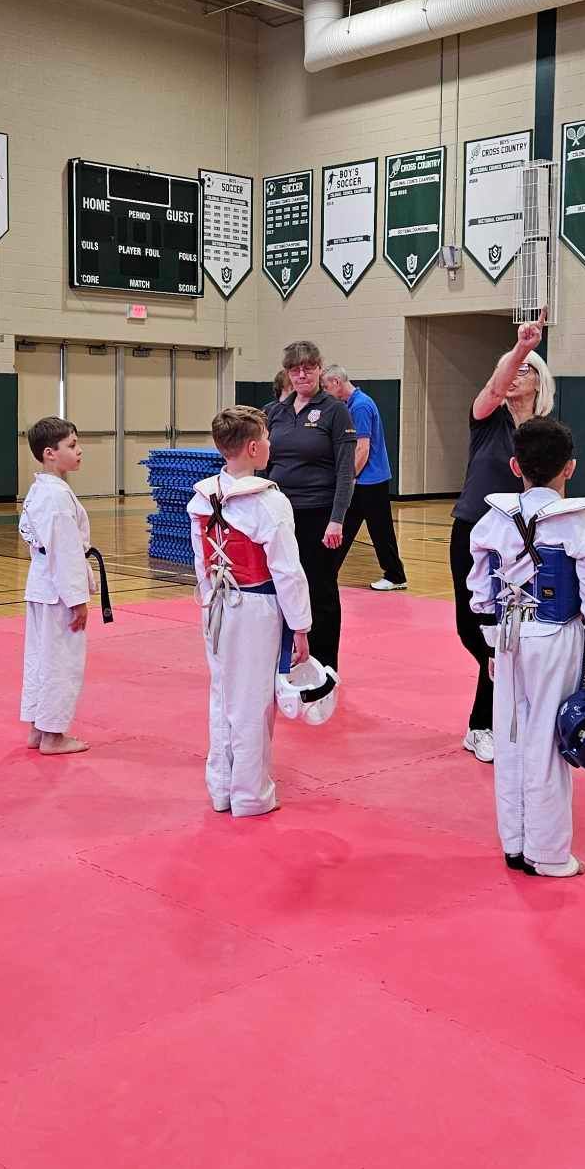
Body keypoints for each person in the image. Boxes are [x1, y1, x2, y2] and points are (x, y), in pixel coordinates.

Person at [468, 417, 585, 878]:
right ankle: (550, 854)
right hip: (557, 637)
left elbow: (479, 588)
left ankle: (515, 844)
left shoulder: (493, 519)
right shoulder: (577, 522)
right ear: (569, 468)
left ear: (516, 466)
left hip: (510, 635)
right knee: (550, 741)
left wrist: (493, 644)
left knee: (512, 737)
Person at [188, 407, 313, 817]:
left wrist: (208, 599)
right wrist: (301, 627)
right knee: (253, 701)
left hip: (217, 604)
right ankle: (250, 795)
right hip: (256, 605)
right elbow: (287, 570)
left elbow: (200, 563)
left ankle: (221, 788)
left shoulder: (202, 497)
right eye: (268, 439)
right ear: (255, 447)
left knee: (222, 694)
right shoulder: (268, 502)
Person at [451, 321, 555, 763]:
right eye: (509, 369)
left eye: (526, 370)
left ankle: (482, 725)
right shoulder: (488, 420)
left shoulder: (549, 433)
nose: (515, 375)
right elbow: (492, 391)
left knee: (505, 636)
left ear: (540, 381)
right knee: (471, 630)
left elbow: (556, 492)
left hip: (523, 542)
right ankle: (500, 710)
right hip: (475, 531)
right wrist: (520, 348)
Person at [263, 340, 356, 673]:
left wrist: (337, 519)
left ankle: (325, 664)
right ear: (288, 373)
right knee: (280, 585)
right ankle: (287, 656)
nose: (302, 374)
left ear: (319, 369)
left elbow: (346, 469)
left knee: (320, 589)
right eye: (295, 369)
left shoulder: (334, 410)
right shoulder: (275, 411)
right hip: (278, 514)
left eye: (308, 368)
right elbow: (262, 464)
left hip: (318, 513)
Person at [19, 416, 92, 755]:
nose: (79, 451)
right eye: (72, 445)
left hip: (41, 586)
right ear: (50, 453)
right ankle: (53, 735)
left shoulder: (39, 491)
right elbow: (65, 552)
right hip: (58, 590)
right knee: (62, 662)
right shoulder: (57, 498)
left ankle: (37, 728)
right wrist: (77, 599)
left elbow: (29, 534)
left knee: (41, 659)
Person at [323, 366, 408, 593]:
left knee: (379, 531)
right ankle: (327, 572)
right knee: (345, 527)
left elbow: (362, 448)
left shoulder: (360, 406)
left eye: (325, 386)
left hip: (369, 481)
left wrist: (348, 477)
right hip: (365, 480)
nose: (324, 391)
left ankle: (395, 575)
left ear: (336, 383)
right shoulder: (354, 403)